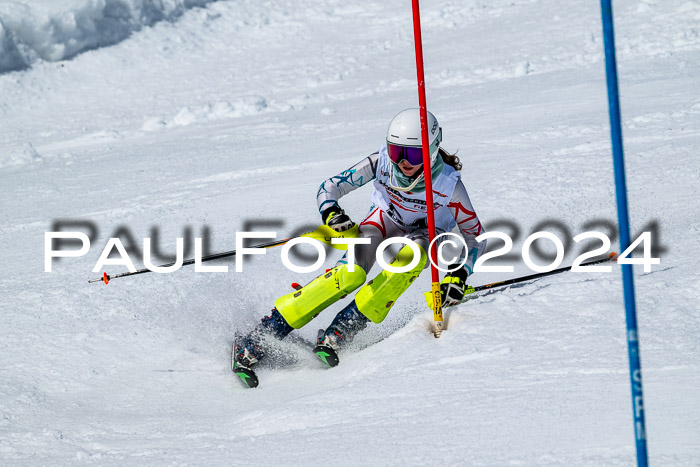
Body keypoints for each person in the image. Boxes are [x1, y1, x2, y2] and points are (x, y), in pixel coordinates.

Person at [233, 108, 486, 384]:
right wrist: (331, 212)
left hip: (427, 231)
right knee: (349, 274)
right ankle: (264, 333)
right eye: (396, 151)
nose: (403, 162)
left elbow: (476, 237)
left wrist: (459, 274)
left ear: (431, 150)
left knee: (408, 263)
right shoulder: (381, 164)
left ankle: (342, 329)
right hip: (385, 217)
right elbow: (330, 187)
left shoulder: (449, 186)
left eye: (412, 154)